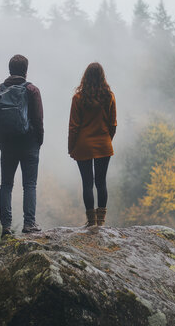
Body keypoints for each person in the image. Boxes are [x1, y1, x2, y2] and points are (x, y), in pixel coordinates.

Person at [0, 54, 44, 237]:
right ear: (26, 71)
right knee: (29, 185)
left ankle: (6, 227)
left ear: (10, 69)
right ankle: (29, 224)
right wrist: (38, 141)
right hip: (29, 143)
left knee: (6, 184)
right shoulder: (32, 90)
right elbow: (38, 119)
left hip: (7, 144)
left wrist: (1, 142)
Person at [68, 62, 117, 227]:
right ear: (102, 77)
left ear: (85, 77)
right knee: (101, 182)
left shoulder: (78, 98)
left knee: (87, 183)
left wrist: (71, 147)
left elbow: (73, 126)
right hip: (103, 144)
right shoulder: (109, 96)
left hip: (83, 146)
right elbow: (113, 124)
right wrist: (107, 139)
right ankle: (101, 221)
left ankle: (91, 222)